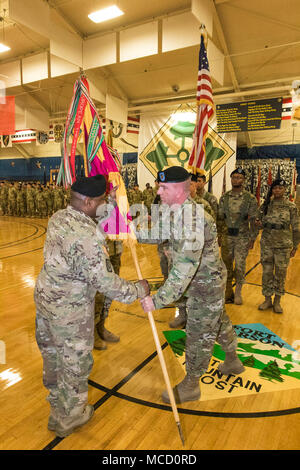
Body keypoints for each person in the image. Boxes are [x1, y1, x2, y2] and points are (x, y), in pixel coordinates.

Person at [34, 175, 150, 438]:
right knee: (74, 363)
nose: (101, 204)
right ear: (87, 201)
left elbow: (94, 224)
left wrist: (108, 203)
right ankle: (70, 417)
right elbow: (105, 282)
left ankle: (57, 408)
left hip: (46, 302)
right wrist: (137, 290)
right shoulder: (86, 236)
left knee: (53, 357)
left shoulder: (58, 217)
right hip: (70, 311)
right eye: (98, 200)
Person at [138, 166, 244, 404]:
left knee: (199, 333)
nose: (159, 190)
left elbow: (184, 268)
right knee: (218, 322)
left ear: (179, 189)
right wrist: (128, 233)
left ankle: (191, 386)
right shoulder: (176, 212)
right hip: (203, 281)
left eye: (164, 187)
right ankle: (233, 361)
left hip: (204, 285)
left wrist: (156, 300)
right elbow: (158, 233)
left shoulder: (193, 219)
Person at [256, 178, 300, 313]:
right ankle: (267, 299)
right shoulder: (266, 205)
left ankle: (277, 301)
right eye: (275, 188)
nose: (277, 190)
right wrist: (259, 223)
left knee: (280, 273)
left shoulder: (291, 207)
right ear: (272, 190)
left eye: (280, 188)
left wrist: (295, 245)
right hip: (267, 244)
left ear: (285, 190)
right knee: (267, 272)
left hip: (283, 245)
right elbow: (259, 220)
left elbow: (297, 226)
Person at [217, 167, 259, 305]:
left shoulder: (250, 199)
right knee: (226, 266)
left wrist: (253, 238)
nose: (236, 180)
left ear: (244, 180)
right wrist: (219, 235)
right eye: (234, 177)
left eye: (239, 177)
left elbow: (253, 220)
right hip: (227, 237)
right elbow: (220, 218)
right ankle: (228, 292)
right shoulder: (224, 198)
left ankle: (239, 292)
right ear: (231, 179)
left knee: (240, 266)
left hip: (242, 238)